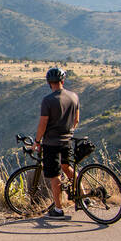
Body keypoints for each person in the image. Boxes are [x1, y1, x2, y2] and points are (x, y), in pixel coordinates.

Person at [32, 66, 80, 219]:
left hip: (51, 142)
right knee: (67, 167)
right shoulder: (74, 96)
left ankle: (58, 209)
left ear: (49, 82)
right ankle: (84, 195)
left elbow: (43, 123)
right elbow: (76, 120)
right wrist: (69, 131)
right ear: (62, 81)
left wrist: (37, 141)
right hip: (67, 140)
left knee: (54, 175)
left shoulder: (48, 100)